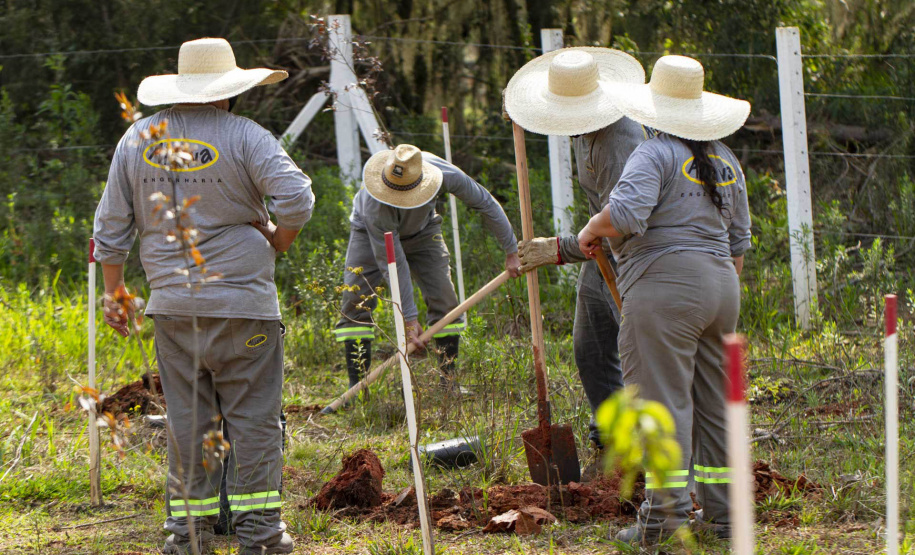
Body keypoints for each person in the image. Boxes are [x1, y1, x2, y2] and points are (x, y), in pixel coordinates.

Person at [94, 38, 314, 555]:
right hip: (243, 308)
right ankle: (259, 537)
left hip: (172, 309)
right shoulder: (247, 137)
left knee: (189, 423)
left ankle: (188, 536)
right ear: (229, 91)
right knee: (253, 420)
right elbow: (297, 198)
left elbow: (111, 225)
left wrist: (113, 292)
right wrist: (277, 241)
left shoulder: (137, 139)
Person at [576, 55, 752, 543]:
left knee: (663, 402)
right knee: (715, 403)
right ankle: (723, 517)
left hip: (664, 290)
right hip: (723, 290)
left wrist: (590, 229)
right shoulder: (725, 160)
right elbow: (739, 243)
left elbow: (626, 214)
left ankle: (663, 522)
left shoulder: (653, 154)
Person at [504, 47, 651, 453]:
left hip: (636, 252)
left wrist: (559, 250)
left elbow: (622, 221)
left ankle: (654, 445)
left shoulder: (617, 141)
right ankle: (610, 432)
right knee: (591, 345)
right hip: (599, 252)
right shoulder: (582, 130)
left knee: (639, 352)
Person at [334, 144, 521, 392]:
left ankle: (449, 382)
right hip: (368, 233)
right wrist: (409, 319)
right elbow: (393, 263)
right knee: (355, 298)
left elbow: (484, 202)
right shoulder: (375, 207)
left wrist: (511, 250)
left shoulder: (444, 173)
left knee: (445, 297)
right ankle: (357, 387)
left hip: (424, 231)